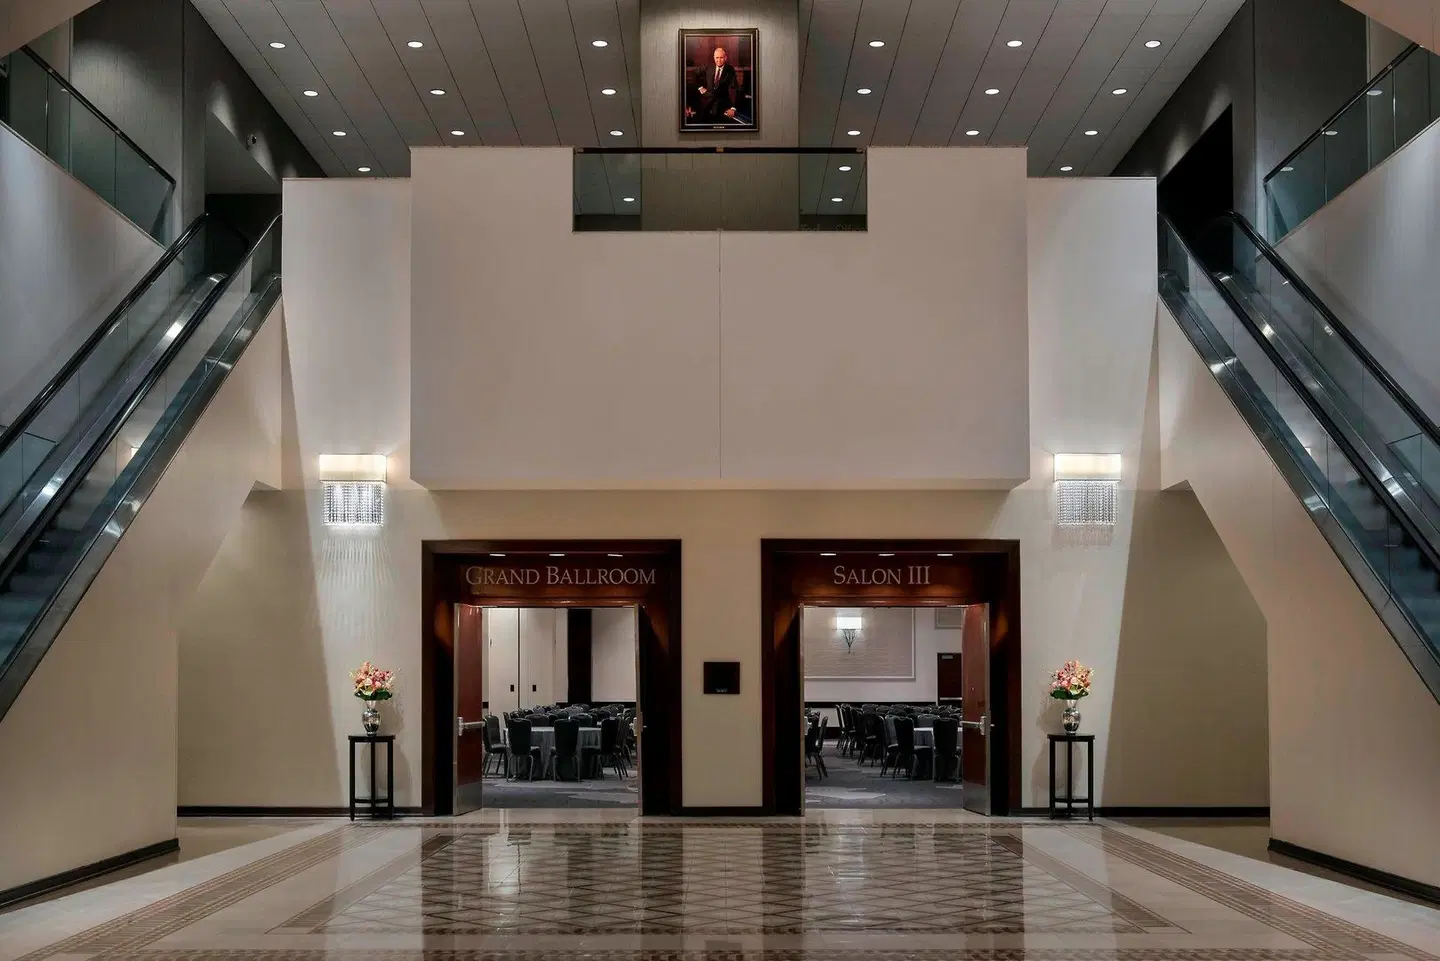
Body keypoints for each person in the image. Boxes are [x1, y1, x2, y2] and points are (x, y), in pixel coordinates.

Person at [686, 45, 740, 124]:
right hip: (706, 101)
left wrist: (733, 108)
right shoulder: (708, 66)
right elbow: (694, 73)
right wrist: (700, 87)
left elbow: (734, 89)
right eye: (717, 58)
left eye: (721, 57)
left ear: (725, 58)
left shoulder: (730, 69)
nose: (719, 60)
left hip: (722, 104)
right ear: (714, 58)